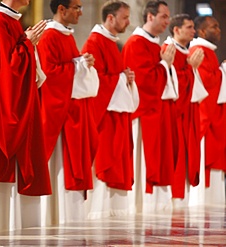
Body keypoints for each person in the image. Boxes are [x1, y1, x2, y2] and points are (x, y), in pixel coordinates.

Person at [0, 0, 52, 233]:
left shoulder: (12, 21)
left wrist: (26, 43)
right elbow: (6, 69)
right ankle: (4, 226)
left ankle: (20, 226)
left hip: (24, 102)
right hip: (7, 105)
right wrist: (27, 44)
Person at [38, 0, 99, 224]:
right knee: (59, 166)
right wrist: (78, 65)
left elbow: (70, 66)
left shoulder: (66, 34)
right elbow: (48, 75)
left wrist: (83, 63)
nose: (81, 12)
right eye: (76, 7)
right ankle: (54, 216)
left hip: (71, 110)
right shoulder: (49, 35)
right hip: (58, 114)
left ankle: (67, 216)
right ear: (61, 9)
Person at [81, 0, 139, 216]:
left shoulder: (111, 43)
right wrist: (121, 78)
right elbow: (93, 81)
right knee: (104, 160)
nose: (128, 22)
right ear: (110, 18)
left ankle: (111, 211)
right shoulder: (94, 42)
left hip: (116, 114)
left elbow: (112, 77)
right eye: (125, 17)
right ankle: (97, 212)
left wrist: (126, 78)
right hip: (104, 117)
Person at [122, 0, 177, 212]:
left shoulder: (154, 44)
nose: (167, 21)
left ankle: (153, 205)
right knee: (143, 161)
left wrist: (165, 66)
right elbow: (143, 82)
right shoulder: (136, 43)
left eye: (168, 17)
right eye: (164, 16)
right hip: (144, 115)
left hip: (156, 112)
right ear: (150, 16)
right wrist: (164, 65)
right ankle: (139, 205)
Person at [162, 14, 206, 206]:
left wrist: (191, 68)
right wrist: (190, 69)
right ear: (176, 30)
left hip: (187, 115)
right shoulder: (167, 51)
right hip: (174, 116)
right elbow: (171, 85)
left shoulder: (186, 53)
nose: (193, 31)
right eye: (189, 27)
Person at [189, 15, 226, 205]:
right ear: (202, 31)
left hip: (214, 115)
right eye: (214, 26)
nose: (218, 30)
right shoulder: (198, 50)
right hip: (205, 115)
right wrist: (223, 72)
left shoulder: (208, 51)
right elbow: (203, 82)